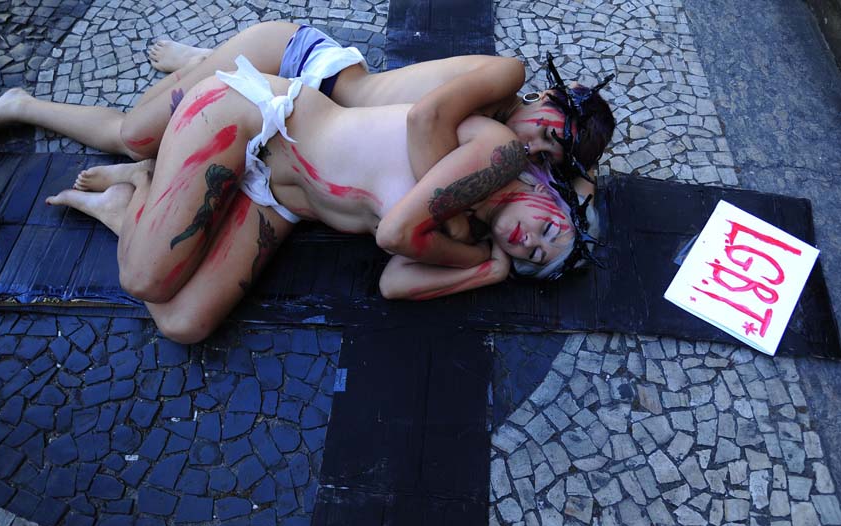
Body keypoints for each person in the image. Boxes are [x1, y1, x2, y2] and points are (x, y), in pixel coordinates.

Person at [36, 52, 610, 344]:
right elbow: (394, 235)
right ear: (552, 197)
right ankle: (147, 180)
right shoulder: (498, 152)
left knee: (182, 324)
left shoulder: (472, 232)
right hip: (254, 120)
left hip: (280, 195)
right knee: (146, 281)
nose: (529, 241)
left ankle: (130, 204)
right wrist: (469, 246)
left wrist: (487, 269)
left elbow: (394, 283)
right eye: (548, 230)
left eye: (532, 257)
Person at [0, 21, 613, 186]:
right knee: (134, 138)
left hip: (296, 115)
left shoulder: (502, 150)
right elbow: (424, 120)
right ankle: (22, 103)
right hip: (296, 64)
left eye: (546, 156)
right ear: (545, 95)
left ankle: (205, 62)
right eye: (547, 131)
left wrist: (576, 180)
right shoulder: (505, 76)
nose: (533, 147)